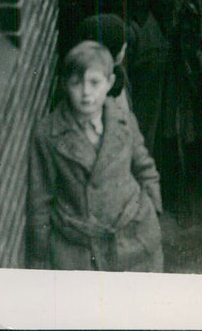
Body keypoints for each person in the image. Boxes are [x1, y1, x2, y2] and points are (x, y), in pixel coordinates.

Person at [26, 40, 163, 272]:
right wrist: (39, 256)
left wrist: (153, 211)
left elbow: (145, 168)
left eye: (94, 82)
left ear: (109, 83)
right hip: (79, 247)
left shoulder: (123, 119)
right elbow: (40, 198)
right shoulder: (48, 133)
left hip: (132, 235)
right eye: (76, 83)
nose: (86, 93)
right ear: (64, 84)